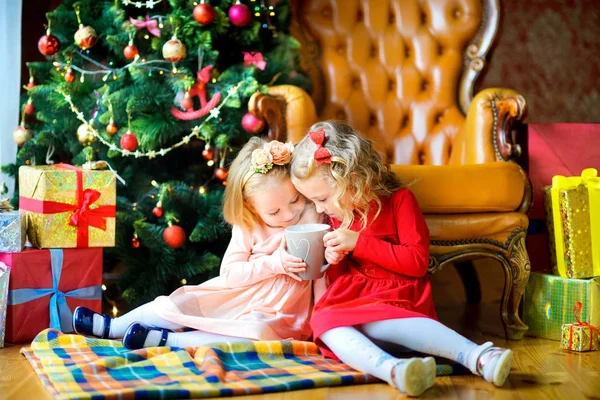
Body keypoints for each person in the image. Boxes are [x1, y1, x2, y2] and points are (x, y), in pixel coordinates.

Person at [289, 121, 513, 397]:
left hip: (399, 296)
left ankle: (477, 356)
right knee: (324, 322)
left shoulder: (399, 201)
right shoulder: (337, 217)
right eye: (314, 202)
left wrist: (359, 242)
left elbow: (417, 262)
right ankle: (393, 371)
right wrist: (335, 259)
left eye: (321, 199)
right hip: (356, 301)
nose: (320, 208)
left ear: (351, 177)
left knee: (372, 320)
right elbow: (342, 280)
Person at [73, 137, 324, 349]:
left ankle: (169, 341)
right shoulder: (248, 225)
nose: (289, 215)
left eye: (295, 200)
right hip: (239, 294)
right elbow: (229, 275)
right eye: (274, 212)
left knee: (255, 332)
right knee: (180, 302)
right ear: (251, 207)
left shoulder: (315, 213)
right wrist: (273, 264)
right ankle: (112, 326)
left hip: (281, 313)